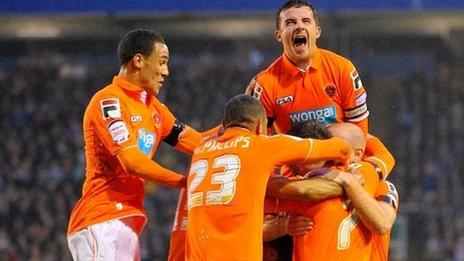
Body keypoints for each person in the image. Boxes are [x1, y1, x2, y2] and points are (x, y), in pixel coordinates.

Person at [67, 29, 216, 260]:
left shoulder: (155, 109)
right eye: (162, 62)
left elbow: (199, 143)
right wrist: (185, 183)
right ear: (139, 61)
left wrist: (234, 128)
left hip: (127, 221)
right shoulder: (109, 102)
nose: (166, 71)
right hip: (101, 217)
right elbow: (132, 162)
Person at [185, 94, 352, 260]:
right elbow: (339, 148)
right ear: (259, 126)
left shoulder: (200, 150)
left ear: (223, 125)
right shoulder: (261, 146)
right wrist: (347, 175)